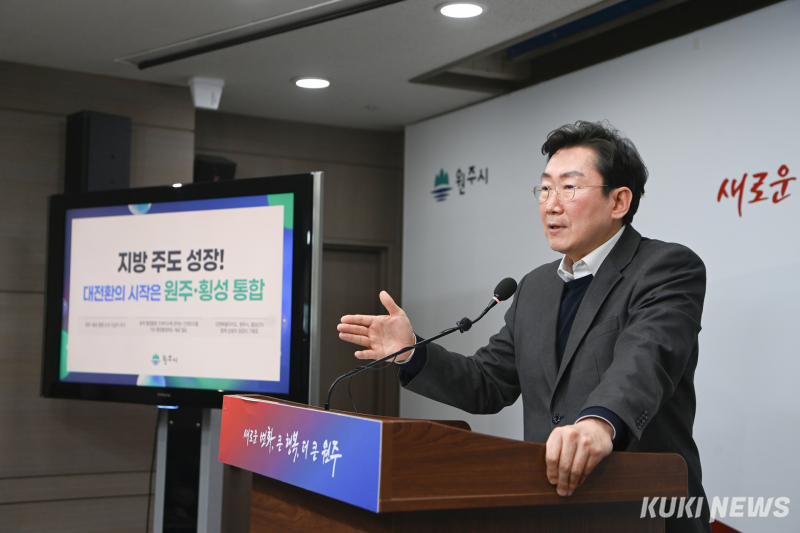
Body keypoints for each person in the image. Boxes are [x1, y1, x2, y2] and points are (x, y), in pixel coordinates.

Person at [337, 120, 710, 533]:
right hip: (551, 510)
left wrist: (597, 423)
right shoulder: (536, 287)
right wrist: (411, 351)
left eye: (569, 187)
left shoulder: (665, 268)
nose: (551, 204)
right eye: (545, 188)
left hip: (642, 512)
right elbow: (487, 382)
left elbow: (645, 360)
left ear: (619, 201)